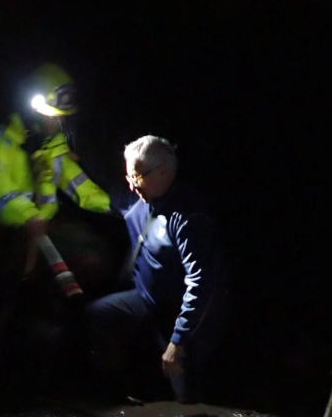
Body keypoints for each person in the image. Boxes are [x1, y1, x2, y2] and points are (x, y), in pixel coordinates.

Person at [85, 135, 226, 402]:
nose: (131, 184)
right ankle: (115, 394)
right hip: (144, 298)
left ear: (163, 171)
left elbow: (202, 283)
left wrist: (178, 341)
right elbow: (97, 173)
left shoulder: (189, 218)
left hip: (174, 313)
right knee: (99, 314)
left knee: (187, 398)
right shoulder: (138, 199)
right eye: (129, 176)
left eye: (137, 176)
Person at [0, 62, 112, 298]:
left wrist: (116, 205)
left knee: (96, 254)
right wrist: (27, 215)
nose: (57, 124)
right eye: (51, 117)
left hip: (43, 235)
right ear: (32, 112)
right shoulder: (0, 141)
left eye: (61, 118)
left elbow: (79, 185)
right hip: (5, 235)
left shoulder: (52, 147)